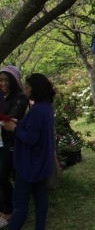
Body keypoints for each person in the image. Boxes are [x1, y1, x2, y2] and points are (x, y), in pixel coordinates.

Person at [2, 73, 55, 230]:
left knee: (20, 204)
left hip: (30, 164)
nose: (24, 91)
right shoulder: (45, 107)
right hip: (41, 162)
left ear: (35, 90)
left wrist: (14, 128)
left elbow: (31, 137)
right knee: (40, 195)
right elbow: (34, 128)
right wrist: (18, 122)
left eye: (27, 88)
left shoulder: (38, 110)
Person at [0, 66, 29, 227]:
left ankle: (11, 210)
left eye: (6, 80)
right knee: (2, 176)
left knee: (8, 175)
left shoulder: (20, 97)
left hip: (14, 142)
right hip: (1, 142)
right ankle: (7, 208)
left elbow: (12, 118)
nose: (3, 83)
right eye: (0, 80)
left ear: (13, 80)